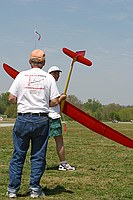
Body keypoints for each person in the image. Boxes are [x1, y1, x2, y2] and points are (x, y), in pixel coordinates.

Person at [6, 49, 61, 198]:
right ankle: (35, 189)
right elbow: (55, 100)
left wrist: (24, 101)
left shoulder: (21, 75)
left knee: (18, 155)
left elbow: (11, 98)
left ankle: (12, 190)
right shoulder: (48, 78)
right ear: (43, 62)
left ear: (30, 61)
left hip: (22, 118)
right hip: (42, 120)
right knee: (38, 155)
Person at [48, 66, 75, 171]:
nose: (57, 75)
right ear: (50, 74)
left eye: (58, 73)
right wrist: (60, 99)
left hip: (47, 117)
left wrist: (59, 97)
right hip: (52, 117)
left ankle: (38, 163)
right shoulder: (50, 84)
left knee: (42, 142)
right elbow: (50, 102)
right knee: (59, 141)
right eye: (54, 73)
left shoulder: (49, 85)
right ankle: (63, 163)